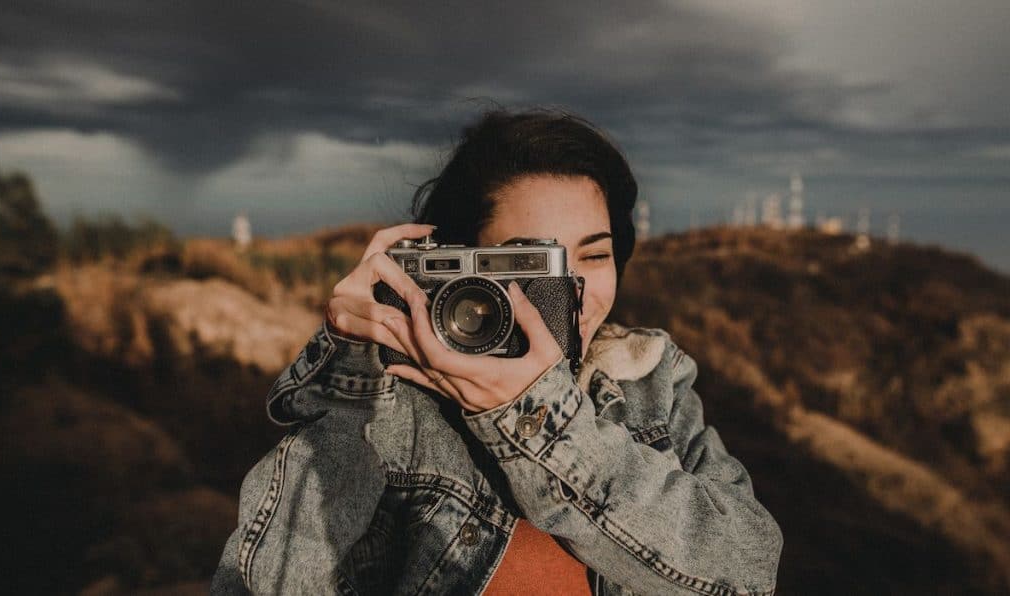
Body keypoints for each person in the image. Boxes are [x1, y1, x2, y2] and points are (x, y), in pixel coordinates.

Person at [212, 110, 783, 595]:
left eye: (595, 255)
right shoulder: (397, 407)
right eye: (532, 263)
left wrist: (538, 420)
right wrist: (351, 372)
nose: (572, 292)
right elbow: (272, 579)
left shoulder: (648, 381)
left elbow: (748, 568)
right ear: (459, 271)